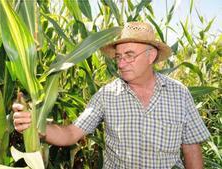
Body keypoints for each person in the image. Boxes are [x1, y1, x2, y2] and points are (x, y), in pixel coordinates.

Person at [13, 22, 210, 169]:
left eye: (129, 55)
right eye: (118, 57)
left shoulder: (179, 94)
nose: (121, 64)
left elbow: (191, 149)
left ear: (151, 56)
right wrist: (36, 125)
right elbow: (72, 133)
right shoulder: (107, 95)